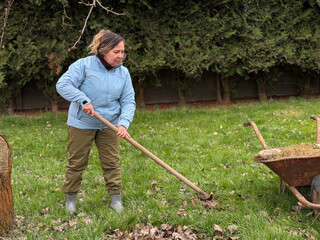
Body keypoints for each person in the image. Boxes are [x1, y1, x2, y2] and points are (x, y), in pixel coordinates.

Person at [56, 29, 136, 213]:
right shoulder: (84, 66)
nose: (121, 56)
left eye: (123, 52)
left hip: (109, 124)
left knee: (112, 162)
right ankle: (71, 198)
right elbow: (63, 84)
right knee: (77, 162)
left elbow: (128, 101)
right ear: (103, 50)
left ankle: (116, 199)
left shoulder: (123, 73)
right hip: (81, 123)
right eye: (116, 52)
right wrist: (83, 100)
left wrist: (123, 123)